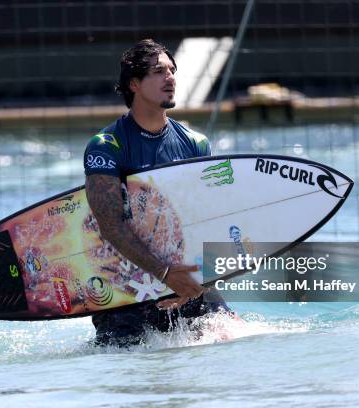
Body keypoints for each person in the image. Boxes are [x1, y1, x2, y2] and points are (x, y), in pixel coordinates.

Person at [84, 39, 231, 347]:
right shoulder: (106, 146)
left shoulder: (195, 143)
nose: (170, 77)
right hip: (127, 297)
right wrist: (166, 275)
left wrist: (199, 279)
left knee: (236, 341)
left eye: (172, 70)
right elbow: (110, 227)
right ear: (134, 83)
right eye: (158, 71)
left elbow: (207, 220)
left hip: (189, 284)